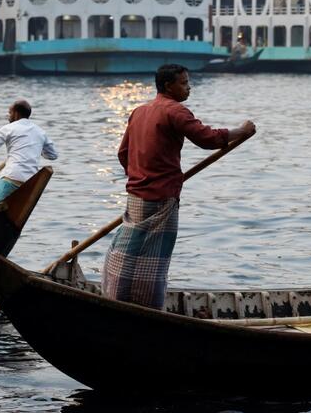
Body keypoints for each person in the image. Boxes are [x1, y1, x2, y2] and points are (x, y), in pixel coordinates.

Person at [101, 64, 255, 309]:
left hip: (137, 193)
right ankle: (146, 307)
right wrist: (242, 130)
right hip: (162, 196)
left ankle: (117, 297)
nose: (188, 87)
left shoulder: (140, 111)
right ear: (167, 86)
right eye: (183, 83)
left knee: (130, 249)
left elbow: (124, 154)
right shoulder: (175, 111)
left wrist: (140, 175)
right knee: (154, 257)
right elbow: (208, 139)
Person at [0, 100, 58, 206]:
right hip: (30, 184)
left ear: (16, 113)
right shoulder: (40, 132)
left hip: (11, 178)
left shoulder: (8, 128)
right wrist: (36, 148)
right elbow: (53, 155)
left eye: (10, 113)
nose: (8, 116)